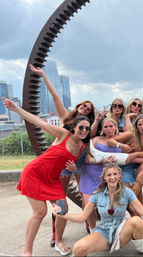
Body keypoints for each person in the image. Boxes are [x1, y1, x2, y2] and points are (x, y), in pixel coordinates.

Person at [1, 97, 90, 256]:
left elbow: (72, 166)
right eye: (81, 127)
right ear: (74, 127)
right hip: (35, 173)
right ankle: (27, 251)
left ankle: (59, 241)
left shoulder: (82, 146)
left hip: (52, 179)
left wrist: (73, 167)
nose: (84, 130)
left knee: (63, 209)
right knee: (40, 211)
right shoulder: (63, 134)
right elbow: (38, 122)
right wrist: (16, 109)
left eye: (87, 129)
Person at [30, 64, 97, 243]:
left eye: (89, 109)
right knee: (59, 198)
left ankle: (88, 223)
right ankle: (55, 234)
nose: (85, 108)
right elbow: (55, 97)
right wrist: (43, 74)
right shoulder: (66, 119)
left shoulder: (87, 129)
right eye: (84, 105)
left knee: (85, 194)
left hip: (80, 163)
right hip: (65, 164)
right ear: (78, 106)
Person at [54, 163, 143, 256]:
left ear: (119, 176)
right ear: (105, 178)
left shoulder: (127, 192)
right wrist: (62, 215)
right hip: (104, 231)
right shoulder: (97, 196)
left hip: (122, 231)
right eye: (109, 175)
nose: (112, 177)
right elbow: (82, 217)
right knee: (78, 249)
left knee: (137, 220)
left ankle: (141, 247)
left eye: (115, 174)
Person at [80, 118, 123, 232]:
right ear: (102, 129)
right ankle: (93, 229)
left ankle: (112, 228)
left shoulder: (121, 140)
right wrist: (103, 161)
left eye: (111, 126)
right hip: (91, 174)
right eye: (105, 127)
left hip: (109, 178)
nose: (108, 129)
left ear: (115, 127)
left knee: (111, 205)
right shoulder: (96, 139)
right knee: (89, 206)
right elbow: (87, 158)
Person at [124, 67, 143, 131]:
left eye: (139, 105)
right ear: (130, 105)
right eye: (134, 104)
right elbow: (128, 132)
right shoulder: (124, 118)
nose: (136, 106)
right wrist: (128, 117)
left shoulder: (142, 116)